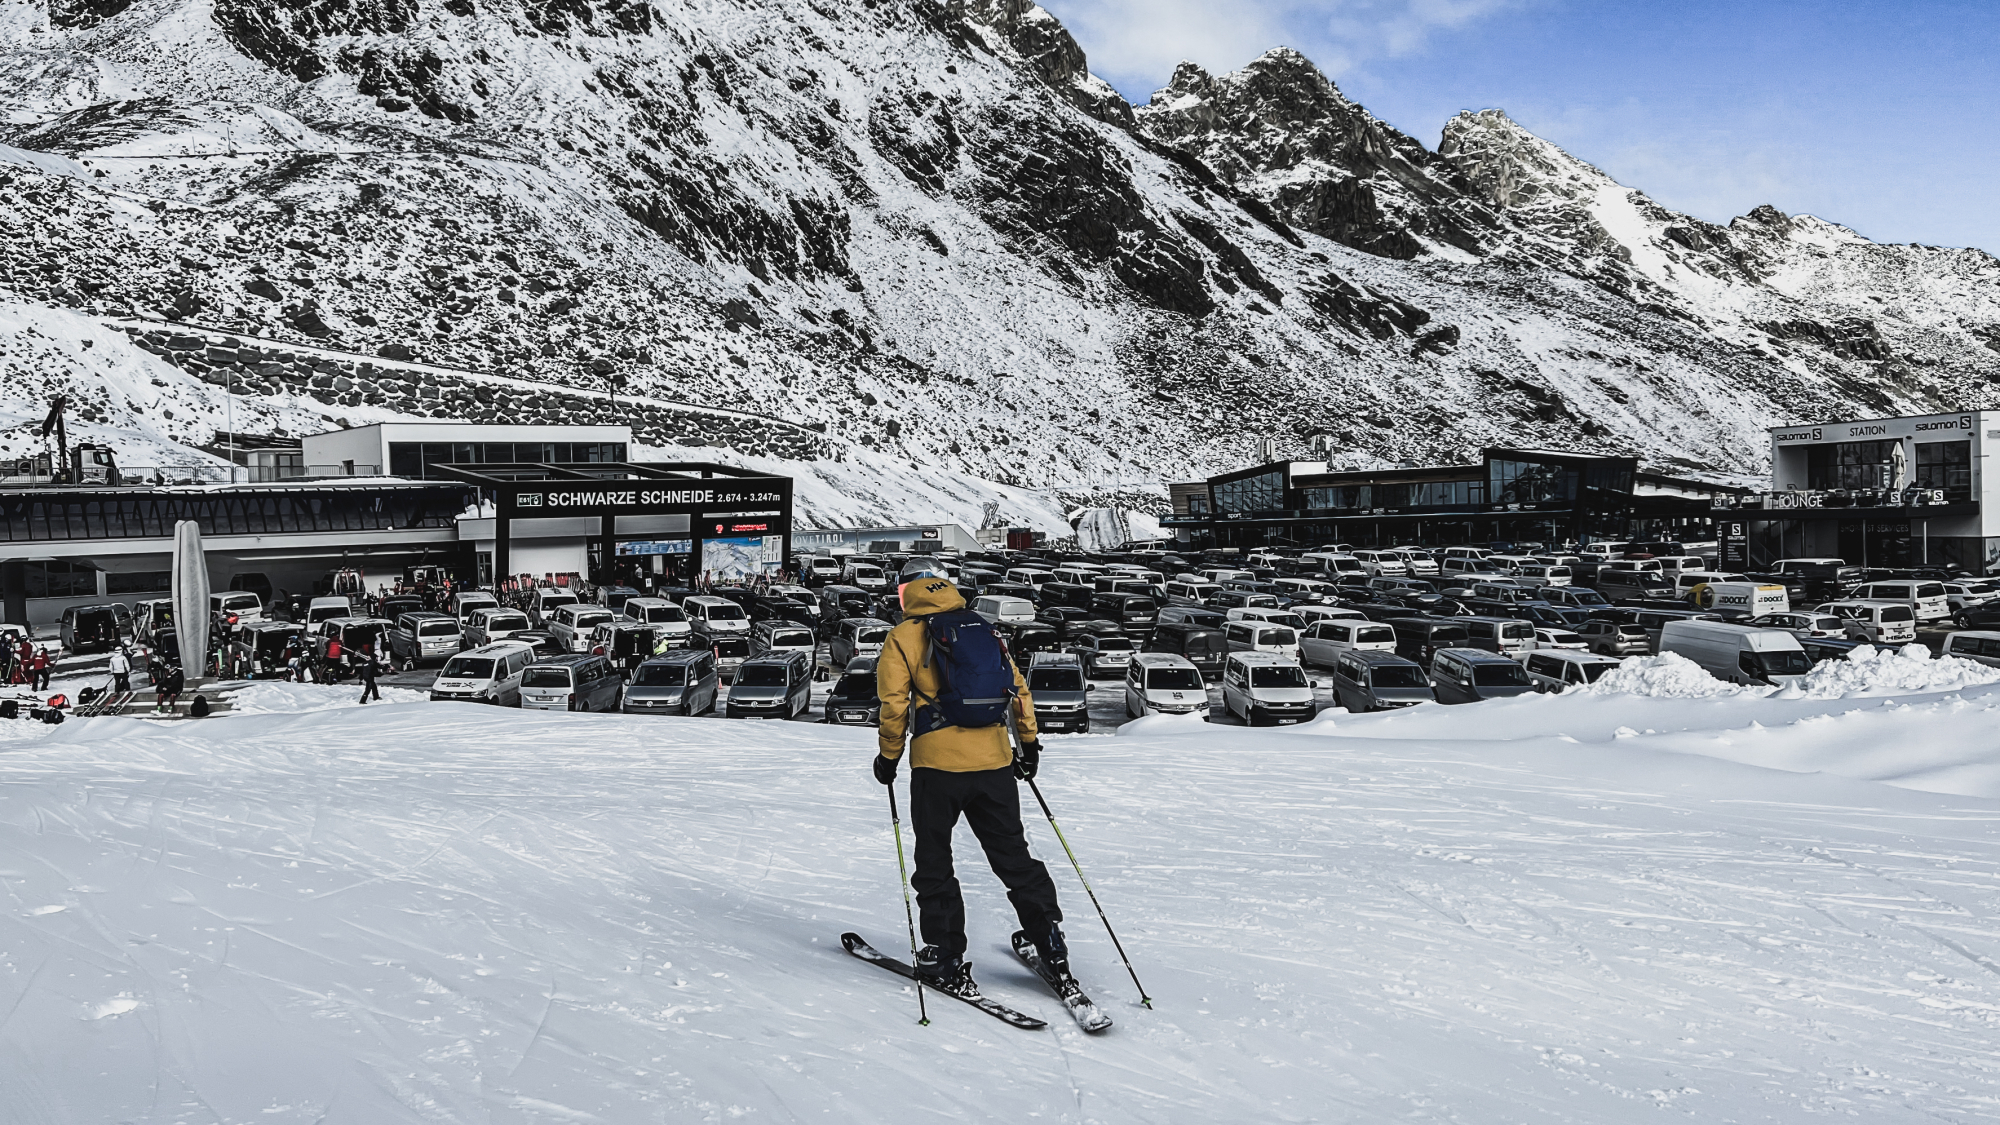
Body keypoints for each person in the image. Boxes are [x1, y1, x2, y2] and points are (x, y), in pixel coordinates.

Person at [873, 565, 1065, 997]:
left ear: (908, 598)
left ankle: (945, 953)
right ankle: (1050, 941)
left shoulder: (903, 637)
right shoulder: (983, 628)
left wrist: (889, 756)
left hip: (936, 768)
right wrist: (1028, 744)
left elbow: (894, 703)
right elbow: (1018, 690)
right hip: (994, 763)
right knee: (1014, 857)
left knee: (935, 859)